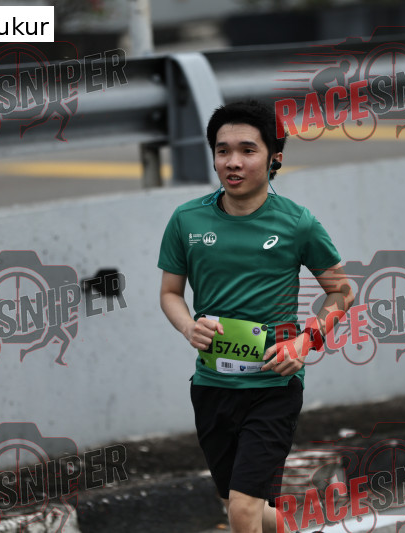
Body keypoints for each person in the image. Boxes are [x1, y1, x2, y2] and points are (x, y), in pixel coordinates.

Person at [158, 100, 354, 533]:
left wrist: (305, 342)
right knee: (239, 506)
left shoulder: (297, 223)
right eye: (223, 150)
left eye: (248, 150)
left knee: (243, 511)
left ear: (274, 158)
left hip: (273, 386)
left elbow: (341, 291)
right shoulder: (187, 220)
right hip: (212, 385)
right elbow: (170, 293)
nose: (233, 162)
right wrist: (188, 326)